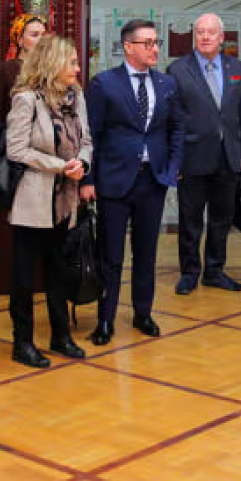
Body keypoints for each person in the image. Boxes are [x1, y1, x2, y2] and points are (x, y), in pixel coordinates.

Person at [83, 19, 183, 346]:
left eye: (156, 43)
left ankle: (143, 313)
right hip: (114, 181)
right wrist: (88, 179)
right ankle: (105, 320)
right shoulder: (104, 84)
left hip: (152, 181)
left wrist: (172, 168)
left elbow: (177, 130)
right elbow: (91, 134)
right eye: (148, 43)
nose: (155, 49)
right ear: (128, 47)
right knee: (110, 256)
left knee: (146, 253)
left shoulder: (167, 84)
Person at [5, 36, 92, 368]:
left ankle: (61, 336)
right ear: (52, 63)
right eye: (72, 62)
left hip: (66, 202)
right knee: (25, 277)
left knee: (60, 271)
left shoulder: (76, 97)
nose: (77, 69)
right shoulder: (27, 99)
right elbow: (16, 150)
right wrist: (61, 166)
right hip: (33, 200)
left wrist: (83, 163)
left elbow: (87, 139)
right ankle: (22, 342)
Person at [167, 13, 241, 296]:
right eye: (200, 31)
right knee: (190, 221)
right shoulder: (178, 69)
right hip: (192, 158)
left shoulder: (235, 67)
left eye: (210, 32)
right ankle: (189, 273)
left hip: (228, 157)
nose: (204, 36)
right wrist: (174, 160)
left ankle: (214, 272)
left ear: (221, 37)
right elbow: (171, 120)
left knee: (221, 220)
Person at [0, 14, 49, 295]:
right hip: (13, 160)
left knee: (41, 223)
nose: (41, 39)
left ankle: (41, 281)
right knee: (12, 222)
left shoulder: (51, 70)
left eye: (44, 34)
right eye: (34, 34)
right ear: (19, 39)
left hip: (45, 159)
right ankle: (10, 282)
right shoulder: (7, 71)